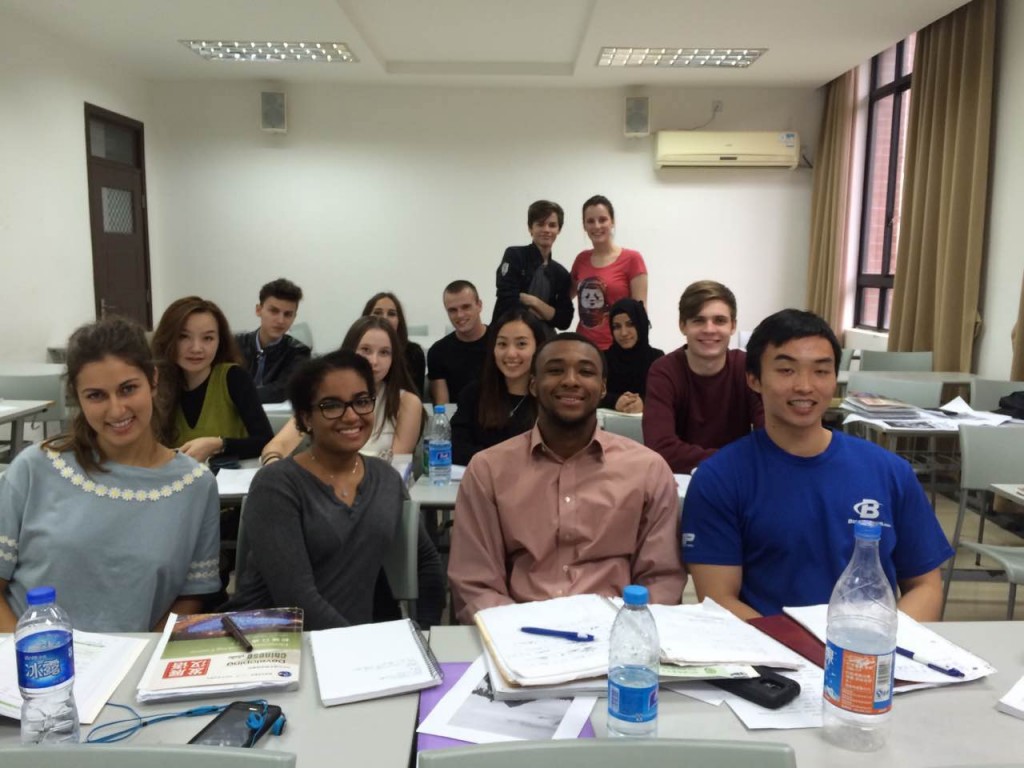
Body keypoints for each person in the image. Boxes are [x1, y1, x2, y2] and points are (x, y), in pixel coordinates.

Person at [682, 309, 954, 622]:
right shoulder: (720, 478)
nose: (805, 386)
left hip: (867, 646)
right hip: (768, 648)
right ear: (754, 379)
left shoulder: (890, 472)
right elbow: (719, 600)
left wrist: (880, 641)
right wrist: (805, 648)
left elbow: (925, 585)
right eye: (786, 370)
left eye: (821, 371)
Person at [0, 317, 220, 633]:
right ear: (77, 396)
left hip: (135, 658)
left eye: (128, 389)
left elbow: (191, 596)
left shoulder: (195, 486)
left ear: (153, 380)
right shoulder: (35, 468)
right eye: (96, 395)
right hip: (33, 655)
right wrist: (26, 649)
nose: (116, 410)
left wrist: (145, 654)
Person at [448, 333, 685, 624]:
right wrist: (517, 636)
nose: (571, 380)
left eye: (586, 372)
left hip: (618, 636)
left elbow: (661, 579)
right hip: (519, 633)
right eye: (555, 370)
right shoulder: (489, 470)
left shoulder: (647, 470)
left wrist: (628, 634)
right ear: (533, 385)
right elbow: (476, 583)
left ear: (603, 388)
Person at [225, 351, 444, 630]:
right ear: (305, 418)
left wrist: (424, 633)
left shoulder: (386, 478)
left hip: (350, 640)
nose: (351, 416)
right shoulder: (276, 485)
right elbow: (297, 599)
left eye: (361, 401)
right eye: (332, 405)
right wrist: (357, 647)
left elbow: (425, 563)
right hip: (271, 639)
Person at [261, 316, 422, 461]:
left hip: (379, 481)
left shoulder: (407, 402)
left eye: (384, 353)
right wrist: (273, 464)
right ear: (350, 351)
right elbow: (277, 446)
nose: (374, 361)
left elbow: (398, 465)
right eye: (366, 350)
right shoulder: (323, 395)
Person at [643, 280, 764, 473]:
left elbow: (770, 436)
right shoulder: (664, 371)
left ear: (733, 326)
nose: (709, 329)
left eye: (720, 320)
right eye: (698, 320)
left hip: (738, 480)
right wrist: (738, 459)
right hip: (681, 482)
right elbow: (660, 447)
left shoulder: (746, 368)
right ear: (683, 325)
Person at [152, 296, 273, 462]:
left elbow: (265, 441)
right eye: (183, 337)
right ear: (168, 339)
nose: (196, 348)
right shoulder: (156, 383)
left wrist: (220, 444)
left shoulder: (234, 377)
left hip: (229, 476)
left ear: (219, 341)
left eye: (207, 338)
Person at [451, 308, 546, 465]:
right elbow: (457, 449)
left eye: (521, 344)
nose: (510, 353)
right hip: (482, 478)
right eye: (502, 344)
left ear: (538, 348)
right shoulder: (474, 394)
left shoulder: (549, 398)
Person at [569, 195, 648, 350]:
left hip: (617, 349)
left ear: (612, 222)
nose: (597, 226)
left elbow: (641, 312)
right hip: (584, 348)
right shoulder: (581, 259)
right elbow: (565, 298)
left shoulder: (632, 259)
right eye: (590, 221)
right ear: (584, 226)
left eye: (602, 219)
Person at [492, 199, 574, 331]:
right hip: (508, 335)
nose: (546, 230)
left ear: (559, 230)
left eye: (552, 225)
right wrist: (548, 313)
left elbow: (565, 320)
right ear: (530, 228)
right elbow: (507, 301)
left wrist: (533, 301)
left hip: (545, 340)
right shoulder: (514, 255)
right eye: (540, 224)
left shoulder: (561, 274)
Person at [234, 278, 311, 404]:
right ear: (258, 310)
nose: (280, 320)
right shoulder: (235, 345)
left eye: (288, 314)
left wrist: (239, 395)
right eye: (274, 311)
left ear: (294, 317)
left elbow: (282, 390)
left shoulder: (299, 352)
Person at [427, 280, 489, 404]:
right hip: (456, 415)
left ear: (479, 305)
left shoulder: (500, 343)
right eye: (452, 310)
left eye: (466, 307)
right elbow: (442, 407)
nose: (460, 315)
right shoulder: (438, 352)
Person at [600, 298, 664, 413]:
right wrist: (615, 401)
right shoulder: (603, 359)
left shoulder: (657, 358)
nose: (624, 333)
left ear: (641, 325)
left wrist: (643, 403)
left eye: (630, 324)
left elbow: (665, 396)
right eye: (617, 326)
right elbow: (590, 395)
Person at [363, 292, 426, 398]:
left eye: (391, 314)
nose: (384, 318)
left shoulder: (413, 353)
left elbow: (416, 397)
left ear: (399, 321)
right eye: (377, 313)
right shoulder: (354, 351)